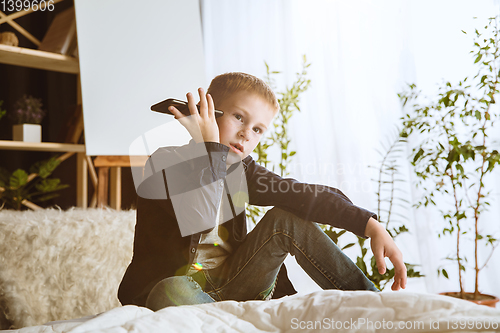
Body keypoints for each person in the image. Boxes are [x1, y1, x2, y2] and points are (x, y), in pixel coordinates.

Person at [118, 72, 407, 310]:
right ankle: (231, 323)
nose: (247, 134)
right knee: (171, 287)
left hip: (234, 285)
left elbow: (302, 194)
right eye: (239, 118)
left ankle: (375, 305)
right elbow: (201, 216)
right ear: (207, 112)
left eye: (258, 129)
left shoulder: (242, 171)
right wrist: (210, 149)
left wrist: (370, 225)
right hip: (175, 290)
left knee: (286, 217)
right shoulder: (164, 161)